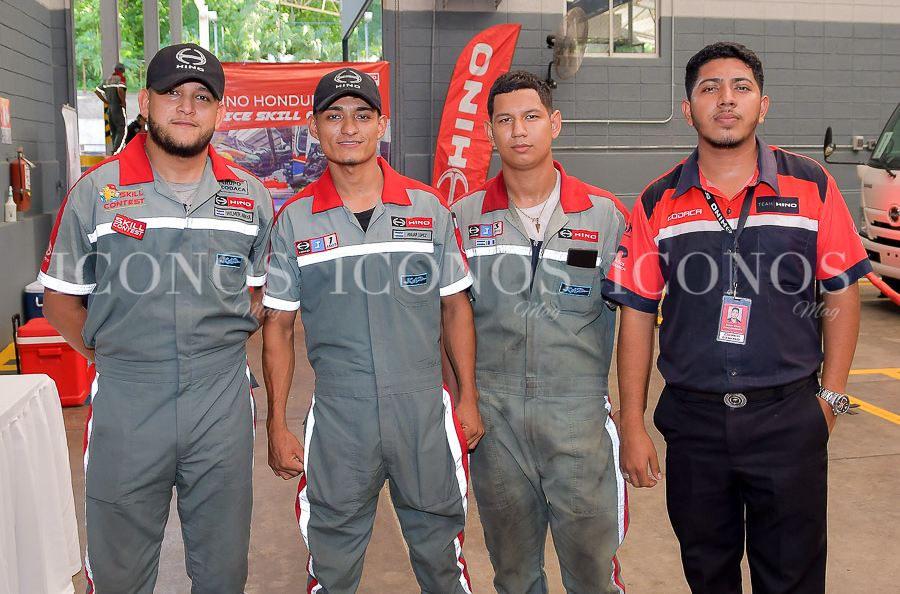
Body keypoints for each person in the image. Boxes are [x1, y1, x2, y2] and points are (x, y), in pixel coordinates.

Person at [603, 41, 870, 593]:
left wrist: (831, 399)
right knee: (708, 575)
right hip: (694, 425)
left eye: (740, 87)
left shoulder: (811, 185)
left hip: (790, 418)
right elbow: (637, 315)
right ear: (688, 109)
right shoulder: (657, 202)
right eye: (710, 88)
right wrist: (632, 423)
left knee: (793, 578)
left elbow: (842, 293)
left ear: (762, 105)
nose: (726, 99)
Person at [40, 42, 274, 594]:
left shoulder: (250, 197)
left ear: (219, 111)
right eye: (172, 94)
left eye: (202, 97)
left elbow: (264, 294)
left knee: (223, 572)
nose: (187, 107)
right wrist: (117, 356)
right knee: (119, 574)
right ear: (145, 103)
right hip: (127, 402)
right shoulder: (97, 193)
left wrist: (218, 345)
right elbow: (60, 301)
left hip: (220, 402)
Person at [262, 67, 482, 594]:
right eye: (334, 116)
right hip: (340, 415)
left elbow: (456, 308)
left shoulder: (427, 209)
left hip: (423, 410)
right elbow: (278, 327)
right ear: (314, 126)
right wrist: (276, 421)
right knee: (331, 565)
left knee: (442, 561)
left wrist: (468, 398)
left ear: (382, 125)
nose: (349, 128)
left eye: (362, 115)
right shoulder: (295, 220)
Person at [450, 70, 629, 593]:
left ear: (555, 123)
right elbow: (449, 319)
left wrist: (628, 409)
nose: (519, 131)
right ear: (489, 132)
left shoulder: (604, 216)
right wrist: (463, 399)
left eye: (531, 117)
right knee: (513, 573)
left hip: (578, 417)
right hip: (495, 421)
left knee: (593, 572)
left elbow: (636, 320)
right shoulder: (462, 218)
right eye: (505, 120)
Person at [95, 61, 127, 155]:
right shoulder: (121, 78)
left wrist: (106, 101)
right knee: (122, 129)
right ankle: (117, 151)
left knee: (113, 130)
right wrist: (123, 102)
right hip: (118, 106)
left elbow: (97, 91)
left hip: (110, 107)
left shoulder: (108, 79)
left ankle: (114, 150)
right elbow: (120, 90)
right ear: (123, 70)